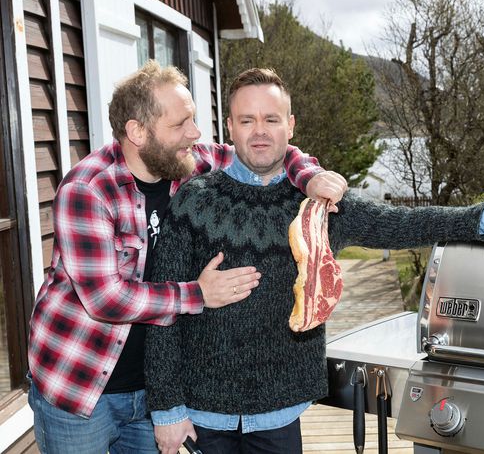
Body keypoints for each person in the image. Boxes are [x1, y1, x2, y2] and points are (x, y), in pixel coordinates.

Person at [144, 68, 484, 454]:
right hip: (201, 415)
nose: (259, 131)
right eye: (247, 120)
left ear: (290, 125)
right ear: (230, 126)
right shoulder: (195, 200)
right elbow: (162, 311)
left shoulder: (320, 204)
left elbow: (397, 223)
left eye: (271, 119)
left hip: (280, 411)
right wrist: (166, 411)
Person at [26, 61, 347, 454]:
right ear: (137, 132)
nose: (195, 134)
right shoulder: (88, 190)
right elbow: (105, 298)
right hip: (81, 382)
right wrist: (198, 294)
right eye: (181, 124)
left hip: (150, 386)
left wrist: (309, 175)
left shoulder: (185, 160)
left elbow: (261, 149)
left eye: (193, 120)